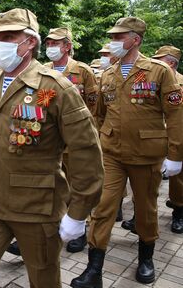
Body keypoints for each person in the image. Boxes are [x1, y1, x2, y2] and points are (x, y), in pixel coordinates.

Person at [0, 8, 103, 288]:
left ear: (30, 42)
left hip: (36, 209)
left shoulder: (55, 88)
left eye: (9, 36)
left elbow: (86, 153)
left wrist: (79, 212)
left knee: (43, 280)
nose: (0, 44)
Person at [71, 18, 183, 288]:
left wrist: (176, 155)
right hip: (112, 155)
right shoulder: (108, 74)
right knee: (103, 207)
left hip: (146, 155)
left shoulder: (159, 71)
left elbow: (176, 114)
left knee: (145, 210)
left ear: (136, 40)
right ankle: (93, 269)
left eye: (119, 37)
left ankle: (146, 258)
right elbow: (99, 115)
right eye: (112, 36)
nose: (113, 41)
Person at [43, 27, 100, 253]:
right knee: (51, 186)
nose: (50, 48)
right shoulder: (42, 70)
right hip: (49, 139)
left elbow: (93, 105)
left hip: (75, 138)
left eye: (55, 43)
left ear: (67, 45)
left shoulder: (82, 71)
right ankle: (45, 226)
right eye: (47, 44)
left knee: (78, 185)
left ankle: (80, 228)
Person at [151, 45, 183, 234]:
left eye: (159, 59)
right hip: (155, 135)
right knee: (148, 176)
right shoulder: (153, 79)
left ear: (171, 63)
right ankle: (140, 215)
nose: (154, 62)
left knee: (178, 178)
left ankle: (179, 211)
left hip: (176, 135)